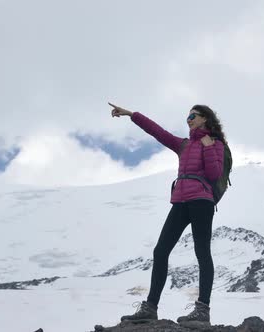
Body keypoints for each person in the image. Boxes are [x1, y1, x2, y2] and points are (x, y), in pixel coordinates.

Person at [109, 102, 226, 327]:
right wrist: (132, 114)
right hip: (180, 202)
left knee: (202, 252)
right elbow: (157, 132)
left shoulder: (215, 144)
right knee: (160, 250)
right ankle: (150, 308)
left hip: (202, 200)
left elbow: (213, 174)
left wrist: (209, 147)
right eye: (188, 117)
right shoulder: (183, 145)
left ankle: (203, 310)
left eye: (193, 115)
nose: (189, 119)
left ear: (205, 119)